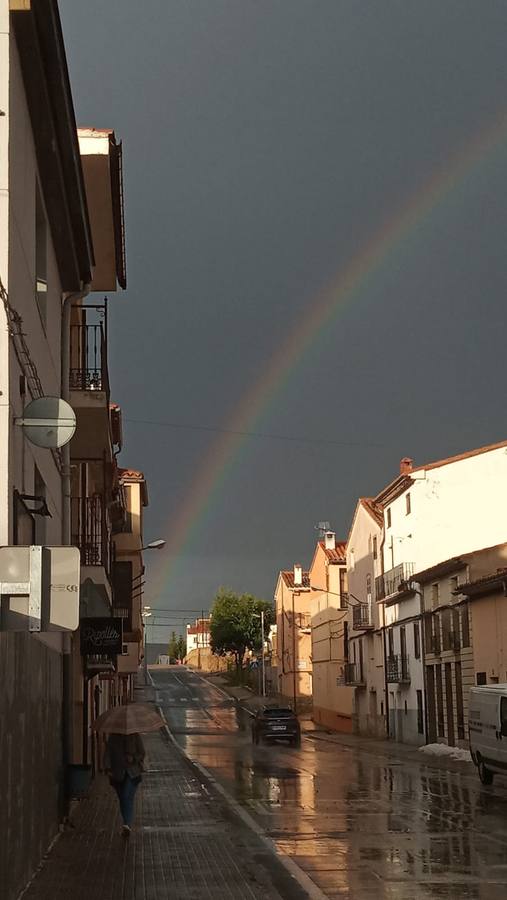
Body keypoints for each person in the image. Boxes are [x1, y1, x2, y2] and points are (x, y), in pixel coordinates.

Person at [104, 732, 145, 835]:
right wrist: (108, 768)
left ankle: (127, 824)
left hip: (132, 772)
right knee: (123, 798)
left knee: (126, 796)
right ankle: (126, 822)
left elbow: (142, 753)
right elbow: (107, 753)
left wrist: (133, 758)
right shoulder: (113, 737)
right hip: (117, 773)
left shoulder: (135, 736)